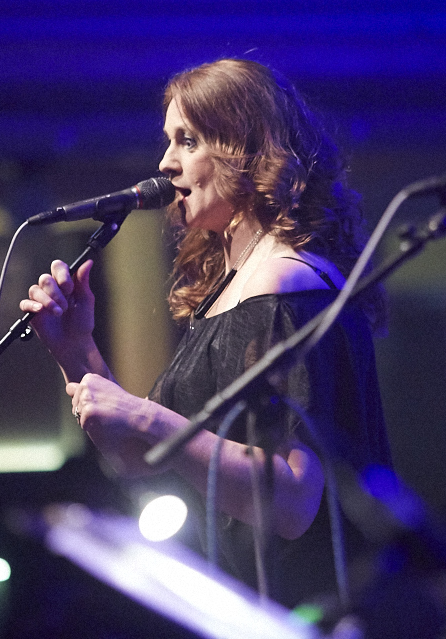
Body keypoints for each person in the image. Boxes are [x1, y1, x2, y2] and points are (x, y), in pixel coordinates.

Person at [21, 58, 392, 607]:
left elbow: (291, 502)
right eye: (169, 140)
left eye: (187, 141)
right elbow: (140, 457)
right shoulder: (235, 288)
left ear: (247, 150)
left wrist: (145, 415)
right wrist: (75, 350)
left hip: (309, 612)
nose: (165, 162)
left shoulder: (283, 284)